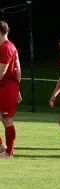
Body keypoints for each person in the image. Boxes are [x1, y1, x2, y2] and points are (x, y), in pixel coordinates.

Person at [0, 21, 21, 159]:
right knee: (6, 119)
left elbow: (1, 72)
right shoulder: (10, 46)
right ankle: (2, 146)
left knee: (7, 120)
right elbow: (18, 70)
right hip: (8, 86)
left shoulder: (6, 48)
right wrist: (17, 88)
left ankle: (9, 153)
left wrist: (14, 88)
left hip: (6, 86)